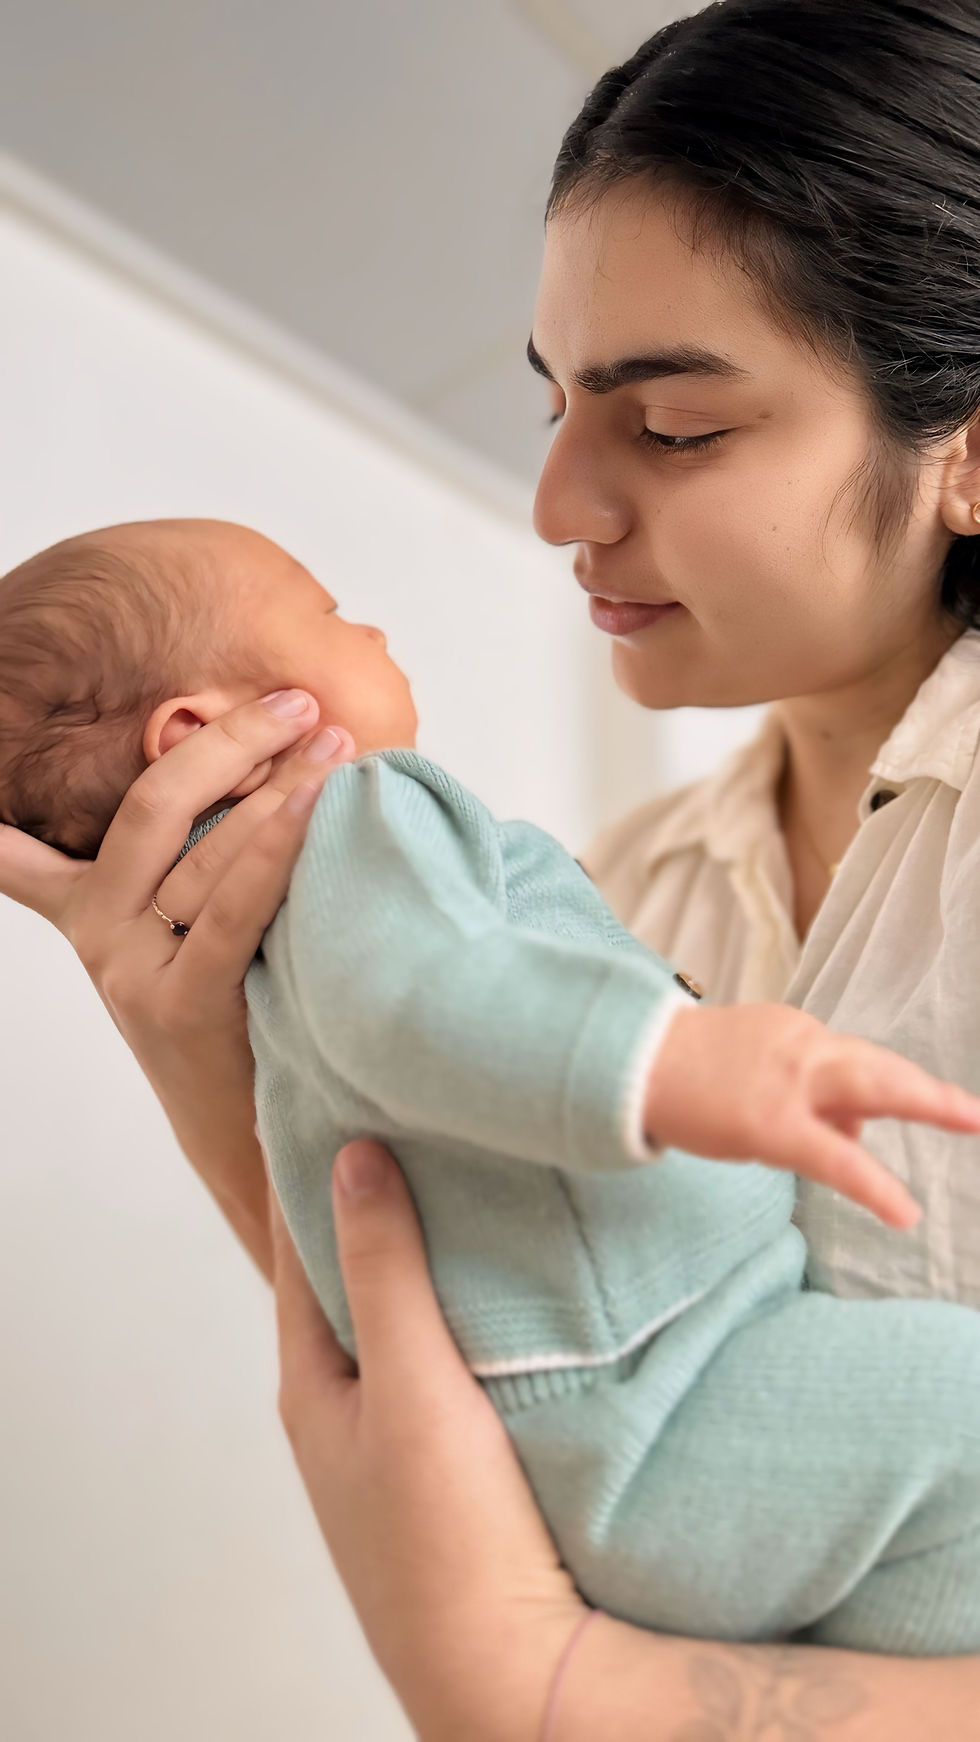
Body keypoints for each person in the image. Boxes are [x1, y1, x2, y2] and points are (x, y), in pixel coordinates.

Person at [4, 0, 980, 1726]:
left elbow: (521, 1606)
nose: (554, 505)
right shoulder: (618, 898)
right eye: (550, 404)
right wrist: (198, 1051)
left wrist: (570, 1695)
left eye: (671, 426)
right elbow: (503, 1411)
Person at [7, 515, 979, 1652]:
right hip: (657, 1386)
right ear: (204, 729)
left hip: (595, 1438)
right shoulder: (363, 811)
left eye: (677, 428)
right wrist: (664, 1054)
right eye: (325, 611)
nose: (365, 625)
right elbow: (423, 994)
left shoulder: (280, 958)